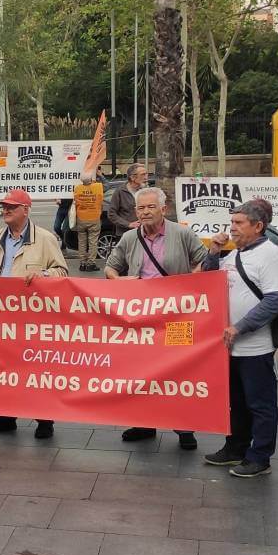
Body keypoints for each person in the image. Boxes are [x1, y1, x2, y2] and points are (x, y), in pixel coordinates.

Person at [105, 186, 207, 449]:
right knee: (142, 372)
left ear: (164, 209)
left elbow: (204, 263)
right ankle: (145, 423)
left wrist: (188, 286)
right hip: (142, 320)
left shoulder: (182, 233)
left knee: (178, 372)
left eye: (151, 207)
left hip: (177, 317)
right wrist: (119, 279)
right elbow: (110, 267)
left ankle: (184, 428)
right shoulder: (130, 237)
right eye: (141, 208)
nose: (145, 212)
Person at [202, 199, 278, 478]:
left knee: (260, 404)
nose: (233, 228)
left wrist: (239, 327)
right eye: (232, 222)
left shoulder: (271, 255)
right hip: (230, 348)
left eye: (239, 223)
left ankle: (260, 457)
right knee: (236, 401)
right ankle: (236, 448)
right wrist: (214, 251)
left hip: (255, 347)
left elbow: (275, 300)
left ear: (258, 226)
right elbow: (208, 280)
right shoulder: (235, 253)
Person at [0, 189, 68, 439]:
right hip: (0, 318)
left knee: (36, 370)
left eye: (11, 207)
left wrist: (44, 275)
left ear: (26, 210)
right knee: (3, 369)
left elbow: (62, 273)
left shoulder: (45, 239)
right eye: (3, 207)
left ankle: (44, 420)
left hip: (33, 320)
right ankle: (6, 416)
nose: (5, 210)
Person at [72, 174, 104, 271]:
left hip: (81, 218)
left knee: (81, 242)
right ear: (91, 179)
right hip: (94, 217)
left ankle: (82, 263)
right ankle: (91, 263)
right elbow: (105, 184)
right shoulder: (98, 187)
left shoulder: (77, 188)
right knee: (92, 242)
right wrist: (98, 175)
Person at [108, 163, 148, 240]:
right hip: (125, 235)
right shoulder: (120, 191)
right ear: (133, 177)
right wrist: (128, 224)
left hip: (143, 233)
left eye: (146, 174)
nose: (146, 177)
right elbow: (111, 214)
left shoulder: (145, 191)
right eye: (143, 174)